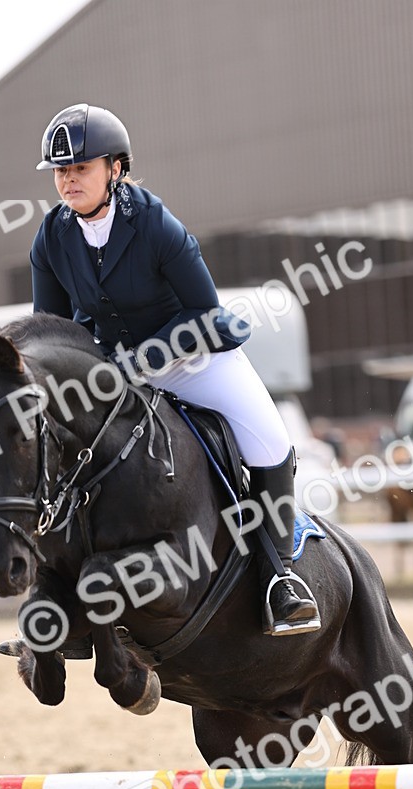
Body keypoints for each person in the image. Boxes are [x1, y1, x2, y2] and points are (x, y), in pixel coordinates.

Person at [30, 102, 320, 636]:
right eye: (61, 170)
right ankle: (59, 592)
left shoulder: (155, 225)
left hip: (195, 359)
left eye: (81, 168)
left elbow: (204, 313)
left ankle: (281, 579)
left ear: (115, 168)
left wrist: (140, 361)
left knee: (270, 442)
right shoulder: (52, 237)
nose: (68, 179)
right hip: (114, 373)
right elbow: (49, 329)